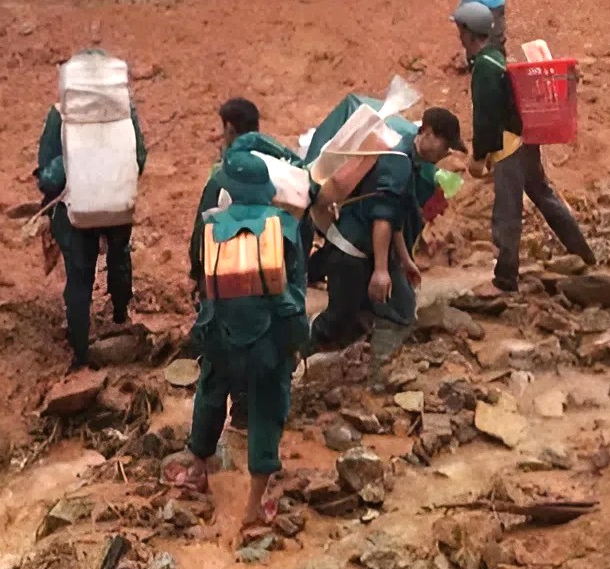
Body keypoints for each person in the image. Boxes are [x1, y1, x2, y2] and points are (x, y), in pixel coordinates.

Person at [164, 150, 310, 534]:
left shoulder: (211, 226)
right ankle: (253, 505)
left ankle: (197, 469)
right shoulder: (286, 227)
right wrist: (297, 342)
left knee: (211, 394)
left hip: (220, 337)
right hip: (269, 340)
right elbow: (296, 291)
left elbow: (201, 282)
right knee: (267, 409)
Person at [311, 106, 466, 390]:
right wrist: (382, 271)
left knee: (397, 309)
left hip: (361, 249)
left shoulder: (408, 158)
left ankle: (363, 361)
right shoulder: (399, 163)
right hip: (351, 249)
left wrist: (405, 260)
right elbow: (382, 218)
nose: (447, 154)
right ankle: (297, 361)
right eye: (446, 145)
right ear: (428, 133)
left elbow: (393, 219)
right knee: (336, 320)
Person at [453, 2, 596, 288]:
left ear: (468, 34)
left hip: (508, 144)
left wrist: (479, 155)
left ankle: (506, 275)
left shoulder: (484, 67)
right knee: (543, 194)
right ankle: (583, 253)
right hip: (526, 138)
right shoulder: (497, 56)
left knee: (507, 208)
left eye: (459, 29)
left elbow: (486, 115)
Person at [188, 97, 307, 431]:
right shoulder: (280, 174)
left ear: (229, 128)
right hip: (273, 289)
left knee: (217, 371)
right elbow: (299, 237)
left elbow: (202, 235)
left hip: (227, 290)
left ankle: (205, 447)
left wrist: (195, 276)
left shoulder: (224, 178)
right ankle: (251, 422)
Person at [34, 90, 147, 369]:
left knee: (79, 277)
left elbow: (48, 180)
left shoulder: (59, 114)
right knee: (120, 256)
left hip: (76, 213)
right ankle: (121, 316)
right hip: (117, 205)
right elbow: (139, 160)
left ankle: (81, 350)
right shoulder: (124, 110)